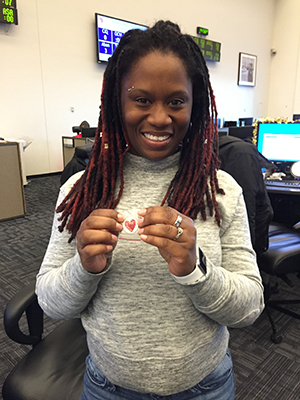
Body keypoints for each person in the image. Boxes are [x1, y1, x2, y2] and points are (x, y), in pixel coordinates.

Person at [36, 21, 264, 400]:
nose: (160, 118)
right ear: (117, 102)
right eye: (141, 100)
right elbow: (51, 303)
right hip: (108, 386)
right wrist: (83, 266)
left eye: (176, 101)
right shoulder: (81, 191)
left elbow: (249, 308)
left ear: (195, 105)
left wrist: (196, 269)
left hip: (205, 386)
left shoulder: (221, 191)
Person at [218, 135, 274, 255]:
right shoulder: (237, 151)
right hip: (231, 229)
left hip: (251, 231)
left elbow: (247, 206)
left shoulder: (240, 153)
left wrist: (247, 254)